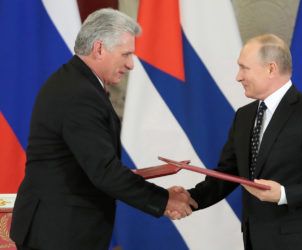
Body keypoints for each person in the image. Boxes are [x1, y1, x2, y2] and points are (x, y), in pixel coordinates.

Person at [10, 8, 197, 250]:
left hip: (62, 229)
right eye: (126, 54)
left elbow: (88, 165)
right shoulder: (79, 94)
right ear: (99, 48)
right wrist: (163, 200)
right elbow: (104, 172)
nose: (130, 64)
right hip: (59, 233)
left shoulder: (77, 83)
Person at [187, 34, 302, 250]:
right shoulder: (244, 116)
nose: (238, 77)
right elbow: (229, 172)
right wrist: (191, 199)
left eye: (244, 68)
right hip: (256, 240)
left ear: (271, 69)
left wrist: (284, 194)